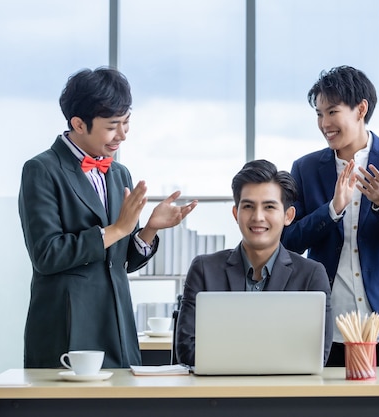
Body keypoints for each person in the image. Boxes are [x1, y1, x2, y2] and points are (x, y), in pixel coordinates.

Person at [18, 67, 197, 368]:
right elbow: (46, 254)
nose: (123, 135)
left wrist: (149, 230)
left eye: (126, 123)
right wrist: (115, 230)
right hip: (69, 329)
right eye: (113, 126)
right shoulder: (41, 170)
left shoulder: (119, 173)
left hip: (118, 326)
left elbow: (122, 261)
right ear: (78, 123)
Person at [281, 65, 379, 367]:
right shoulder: (305, 168)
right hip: (328, 323)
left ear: (361, 109)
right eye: (319, 114)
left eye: (332, 112)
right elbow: (288, 241)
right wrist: (332, 210)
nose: (324, 123)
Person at [175, 159, 333, 366]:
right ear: (236, 213)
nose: (258, 217)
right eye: (248, 206)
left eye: (269, 207)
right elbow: (187, 349)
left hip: (285, 394)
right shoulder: (204, 269)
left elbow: (316, 353)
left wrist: (231, 353)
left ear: (288, 215)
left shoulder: (311, 275)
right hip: (219, 394)